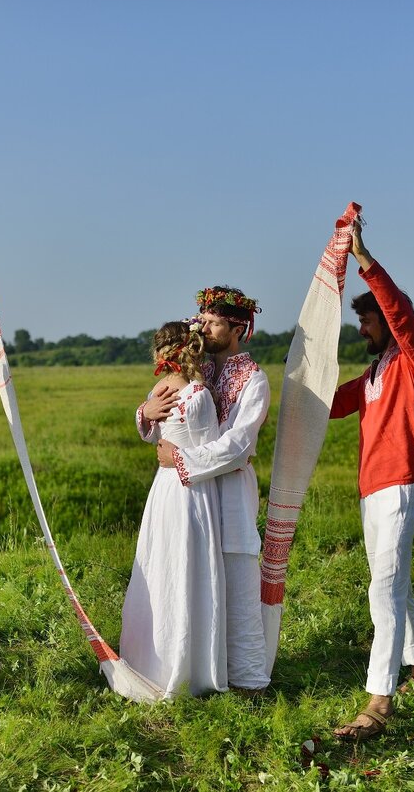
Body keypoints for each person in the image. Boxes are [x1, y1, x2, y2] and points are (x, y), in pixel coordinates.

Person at [329, 222, 414, 740]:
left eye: (366, 320)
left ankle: (379, 700)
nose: (362, 330)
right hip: (371, 491)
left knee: (383, 588)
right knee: (391, 580)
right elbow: (332, 406)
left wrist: (363, 258)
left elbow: (399, 311)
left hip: (398, 485)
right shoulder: (374, 373)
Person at [145, 287, 271, 694]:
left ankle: (248, 681)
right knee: (191, 579)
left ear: (237, 329)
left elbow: (239, 445)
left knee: (237, 586)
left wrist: (181, 460)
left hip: (229, 492)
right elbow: (165, 408)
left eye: (214, 323)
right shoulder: (196, 368)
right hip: (191, 499)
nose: (204, 328)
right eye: (203, 320)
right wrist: (146, 413)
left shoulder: (254, 379)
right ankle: (196, 668)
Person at [121, 319, 228, 699]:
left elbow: (152, 433)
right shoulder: (197, 395)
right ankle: (188, 662)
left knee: (163, 564)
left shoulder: (160, 390)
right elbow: (209, 447)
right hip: (189, 488)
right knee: (185, 566)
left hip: (166, 488)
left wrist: (145, 412)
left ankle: (153, 659)